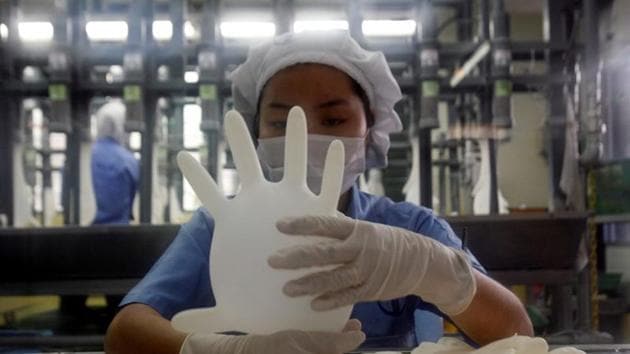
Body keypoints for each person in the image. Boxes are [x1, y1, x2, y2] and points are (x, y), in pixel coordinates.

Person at [105, 32, 533, 354]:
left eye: (332, 122)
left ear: (370, 134)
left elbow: (517, 333)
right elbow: (123, 335)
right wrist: (222, 350)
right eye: (279, 123)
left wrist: (430, 270)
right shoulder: (219, 227)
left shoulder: (408, 228)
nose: (304, 137)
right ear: (254, 135)